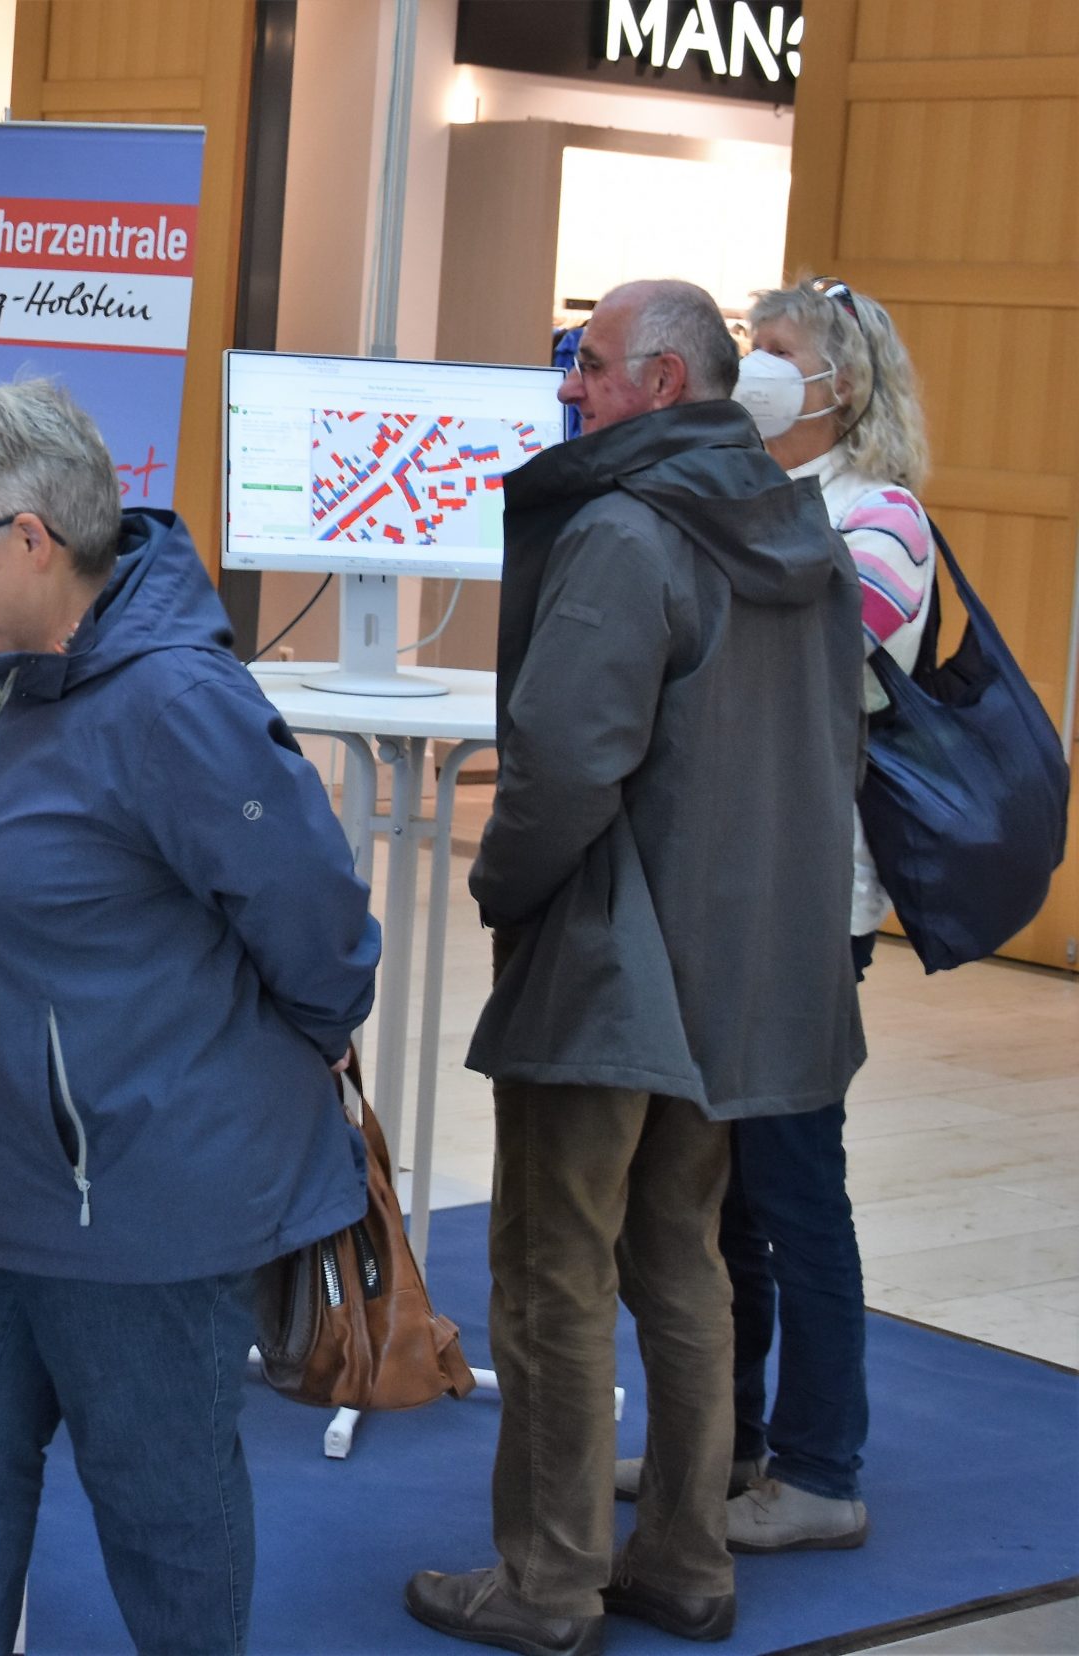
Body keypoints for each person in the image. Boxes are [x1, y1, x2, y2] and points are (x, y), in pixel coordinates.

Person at [0, 379, 380, 1656]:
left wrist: (268, 1051)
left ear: (31, 538)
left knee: (166, 1531)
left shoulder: (172, 705)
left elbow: (317, 932)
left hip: (136, 1222)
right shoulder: (3, 680)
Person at [404, 280, 868, 1656]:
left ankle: (548, 1583)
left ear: (666, 384)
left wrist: (500, 890)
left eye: (592, 366)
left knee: (554, 1277)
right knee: (686, 1270)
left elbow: (560, 768)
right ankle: (685, 1559)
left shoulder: (620, 529)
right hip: (738, 970)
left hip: (609, 966)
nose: (571, 389)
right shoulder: (803, 525)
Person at [610, 278, 936, 1556]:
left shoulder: (881, 522)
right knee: (717, 1197)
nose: (754, 368)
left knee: (798, 1189)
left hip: (806, 898)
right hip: (723, 883)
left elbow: (790, 666)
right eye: (749, 346)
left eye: (780, 352)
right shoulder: (764, 496)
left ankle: (819, 1467)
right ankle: (722, 1440)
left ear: (841, 385)